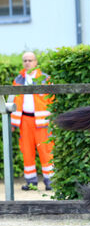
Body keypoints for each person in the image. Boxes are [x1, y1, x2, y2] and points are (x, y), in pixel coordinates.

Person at [10, 52, 55, 191]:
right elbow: (13, 101)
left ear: (36, 62)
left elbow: (53, 101)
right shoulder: (18, 80)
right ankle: (31, 182)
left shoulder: (45, 79)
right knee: (27, 152)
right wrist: (13, 122)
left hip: (42, 122)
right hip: (25, 121)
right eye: (25, 60)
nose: (27, 63)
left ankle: (51, 182)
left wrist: (52, 120)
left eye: (30, 60)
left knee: (46, 151)